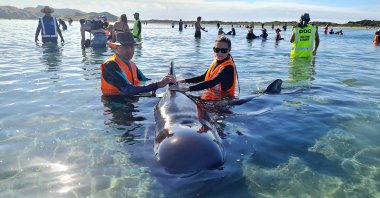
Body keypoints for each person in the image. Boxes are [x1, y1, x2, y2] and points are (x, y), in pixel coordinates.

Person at [100, 32, 175, 96]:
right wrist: (158, 85)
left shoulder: (132, 64)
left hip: (130, 99)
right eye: (125, 47)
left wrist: (167, 80)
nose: (129, 51)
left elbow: (144, 80)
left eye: (132, 47)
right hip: (114, 103)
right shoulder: (110, 65)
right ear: (116, 48)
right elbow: (126, 89)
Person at [171, 36, 238, 100]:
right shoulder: (217, 61)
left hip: (223, 101)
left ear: (229, 50)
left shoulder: (228, 68)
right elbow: (203, 77)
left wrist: (187, 88)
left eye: (223, 50)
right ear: (213, 49)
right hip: (212, 96)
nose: (219, 53)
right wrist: (183, 81)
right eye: (217, 50)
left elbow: (213, 82)